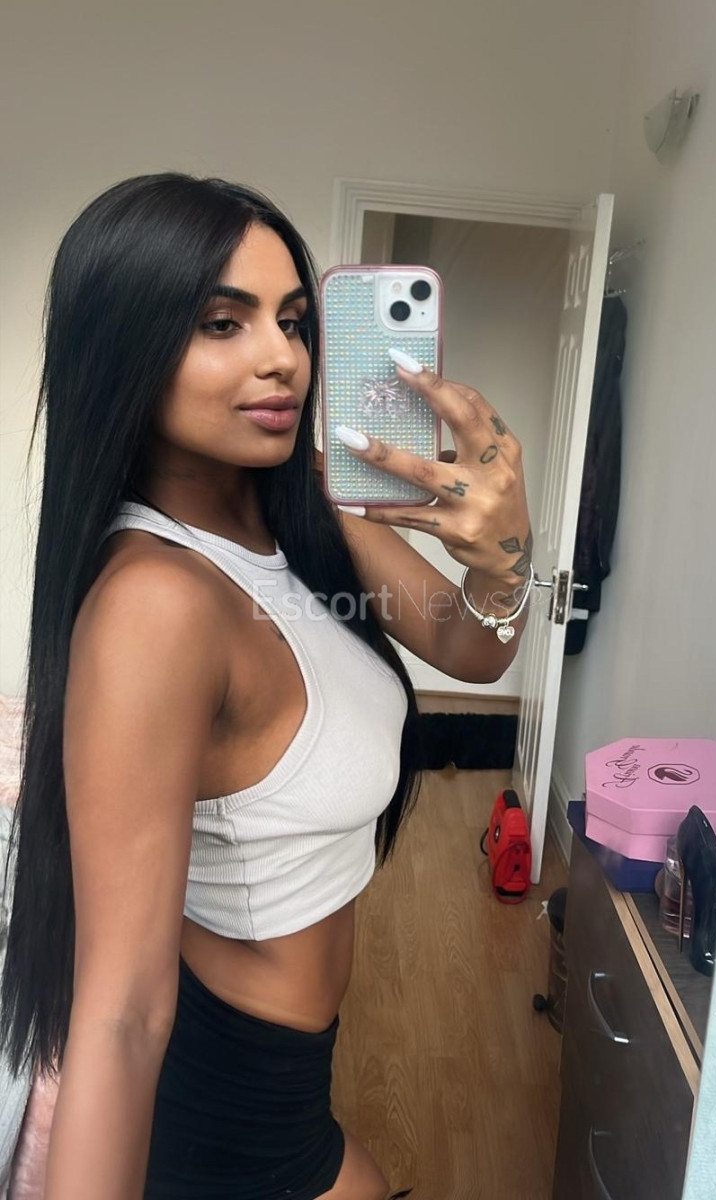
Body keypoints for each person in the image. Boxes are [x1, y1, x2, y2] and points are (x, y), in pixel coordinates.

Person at [0, 173, 535, 1200]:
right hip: (223, 1100)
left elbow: (470, 646)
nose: (282, 355)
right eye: (222, 322)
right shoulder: (158, 602)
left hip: (295, 1081)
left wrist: (507, 556)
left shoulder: (300, 510)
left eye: (291, 320)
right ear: (123, 345)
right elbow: (120, 1017)